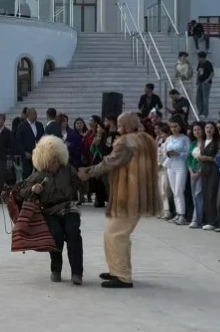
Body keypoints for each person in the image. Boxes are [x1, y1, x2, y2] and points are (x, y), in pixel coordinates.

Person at [79, 111, 160, 289]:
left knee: (116, 234)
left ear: (125, 126)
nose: (116, 126)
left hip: (129, 195)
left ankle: (122, 276)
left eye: (118, 123)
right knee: (116, 233)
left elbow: (109, 162)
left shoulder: (126, 142)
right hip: (140, 194)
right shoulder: (147, 139)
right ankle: (117, 269)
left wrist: (88, 172)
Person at [19, 136, 83, 284]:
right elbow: (21, 190)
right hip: (49, 211)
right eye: (51, 160)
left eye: (56, 159)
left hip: (69, 208)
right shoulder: (39, 173)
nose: (54, 163)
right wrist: (33, 189)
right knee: (56, 235)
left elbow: (78, 183)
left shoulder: (67, 168)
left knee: (73, 233)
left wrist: (78, 183)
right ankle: (56, 270)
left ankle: (77, 273)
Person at [163, 119, 190, 225]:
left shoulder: (184, 138)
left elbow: (188, 153)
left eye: (175, 126)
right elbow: (164, 150)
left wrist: (178, 153)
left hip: (180, 165)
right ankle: (178, 213)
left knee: (179, 190)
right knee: (174, 191)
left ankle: (182, 215)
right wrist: (168, 153)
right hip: (171, 165)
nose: (173, 129)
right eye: (172, 127)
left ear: (180, 126)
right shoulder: (169, 138)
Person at [198, 121, 220, 231]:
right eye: (207, 127)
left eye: (211, 127)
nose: (209, 129)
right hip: (204, 169)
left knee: (212, 194)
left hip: (214, 169)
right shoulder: (202, 142)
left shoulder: (217, 142)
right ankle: (208, 220)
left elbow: (217, 158)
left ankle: (214, 221)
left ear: (214, 130)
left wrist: (207, 158)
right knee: (206, 194)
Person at [187, 122, 206, 228]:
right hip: (192, 171)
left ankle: (196, 219)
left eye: (199, 129)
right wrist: (191, 171)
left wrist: (199, 172)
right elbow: (189, 159)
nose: (197, 132)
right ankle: (197, 218)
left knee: (199, 194)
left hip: (202, 171)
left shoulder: (205, 143)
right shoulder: (193, 143)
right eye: (195, 130)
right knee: (195, 195)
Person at [16, 107, 45, 178]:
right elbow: (18, 141)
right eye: (34, 114)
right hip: (27, 155)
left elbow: (43, 138)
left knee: (39, 175)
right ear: (28, 114)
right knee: (27, 175)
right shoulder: (22, 126)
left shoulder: (39, 125)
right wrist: (25, 152)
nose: (36, 115)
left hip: (38, 155)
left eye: (36, 113)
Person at [195, 51, 213, 120]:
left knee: (205, 99)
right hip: (200, 82)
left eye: (198, 57)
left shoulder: (208, 64)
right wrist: (197, 79)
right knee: (198, 98)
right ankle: (200, 111)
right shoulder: (200, 63)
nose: (197, 58)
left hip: (206, 84)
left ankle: (205, 113)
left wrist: (207, 81)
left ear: (201, 57)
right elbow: (198, 72)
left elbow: (212, 74)